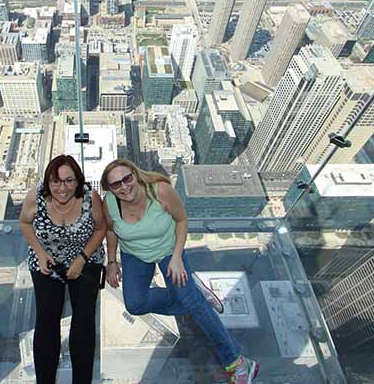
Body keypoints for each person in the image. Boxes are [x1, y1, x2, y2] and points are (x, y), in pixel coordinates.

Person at [98, 158, 259, 384]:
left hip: (167, 250)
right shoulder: (110, 203)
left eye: (127, 178)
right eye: (116, 184)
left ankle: (236, 362)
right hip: (135, 253)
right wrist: (112, 261)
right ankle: (195, 294)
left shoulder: (160, 191)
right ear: (110, 188)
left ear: (135, 174)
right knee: (136, 304)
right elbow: (112, 230)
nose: (124, 187)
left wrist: (176, 258)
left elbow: (182, 220)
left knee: (193, 304)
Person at [19, 154, 106, 384]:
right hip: (48, 259)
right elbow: (25, 223)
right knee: (47, 319)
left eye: (69, 180)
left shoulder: (90, 198)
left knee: (84, 320)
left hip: (85, 258)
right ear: (48, 182)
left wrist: (81, 259)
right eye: (55, 181)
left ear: (78, 181)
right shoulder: (36, 197)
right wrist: (39, 252)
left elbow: (101, 228)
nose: (62, 188)